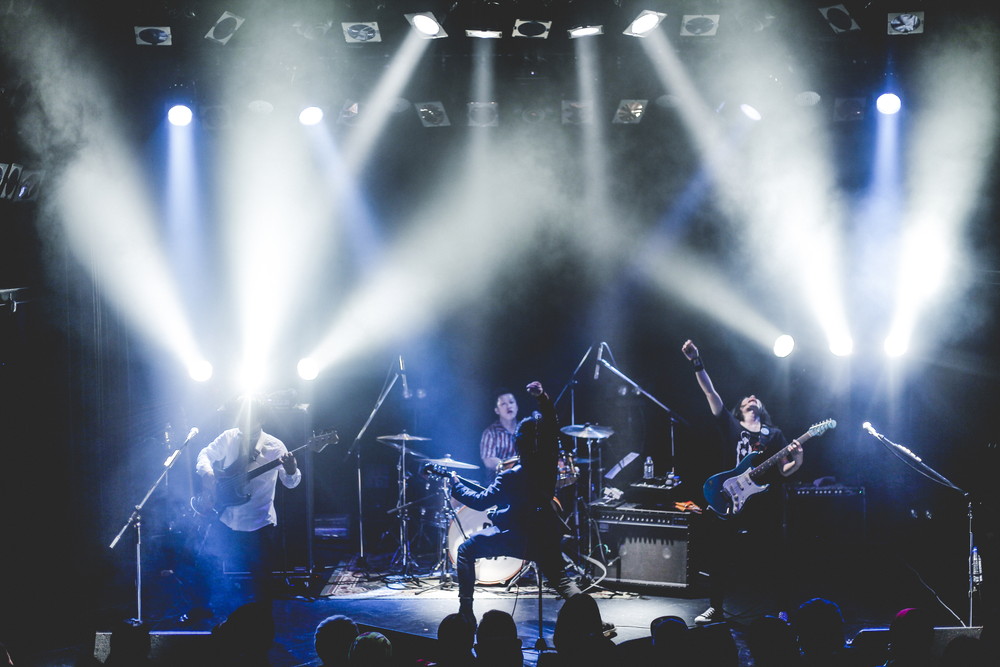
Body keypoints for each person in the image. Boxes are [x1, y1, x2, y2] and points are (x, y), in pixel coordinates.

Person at [680, 339, 803, 625]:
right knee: (719, 555)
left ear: (761, 407)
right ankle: (715, 608)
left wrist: (797, 459)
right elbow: (710, 391)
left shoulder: (774, 434)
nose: (752, 397)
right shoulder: (731, 425)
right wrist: (696, 361)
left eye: (755, 398)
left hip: (763, 502)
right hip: (730, 497)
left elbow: (785, 471)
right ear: (741, 408)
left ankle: (782, 609)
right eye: (747, 398)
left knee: (775, 556)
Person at [448, 381, 582, 624]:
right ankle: (593, 622)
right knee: (563, 581)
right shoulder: (548, 464)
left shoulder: (510, 476)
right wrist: (542, 398)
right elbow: (551, 426)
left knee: (466, 550)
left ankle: (466, 612)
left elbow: (480, 502)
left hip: (516, 537)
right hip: (545, 533)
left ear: (518, 443)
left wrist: (456, 485)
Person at [190, 395, 300, 619]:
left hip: (259, 523)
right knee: (205, 563)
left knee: (261, 579)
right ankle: (203, 611)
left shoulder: (274, 446)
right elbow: (205, 454)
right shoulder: (229, 437)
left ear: (261, 418)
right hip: (227, 517)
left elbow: (291, 483)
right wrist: (208, 474)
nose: (242, 421)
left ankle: (262, 623)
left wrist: (291, 470)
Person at [479, 388, 520, 482]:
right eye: (503, 404)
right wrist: (513, 466)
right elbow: (488, 460)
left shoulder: (525, 429)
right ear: (497, 410)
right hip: (498, 484)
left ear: (517, 406)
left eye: (511, 402)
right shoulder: (490, 433)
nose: (509, 406)